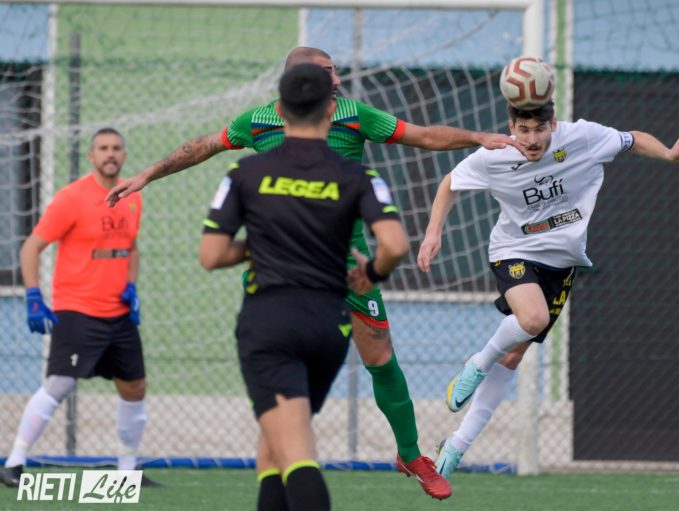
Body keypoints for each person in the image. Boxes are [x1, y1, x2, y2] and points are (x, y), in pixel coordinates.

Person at [104, 46, 520, 498]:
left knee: (378, 358)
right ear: (304, 86)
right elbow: (204, 145)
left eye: (336, 72)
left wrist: (477, 137)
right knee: (290, 406)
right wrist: (148, 174)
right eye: (327, 73)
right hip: (284, 281)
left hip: (344, 270)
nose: (336, 80)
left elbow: (422, 136)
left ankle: (409, 453)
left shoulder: (350, 119)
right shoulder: (257, 127)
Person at [418, 98, 679, 479]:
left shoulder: (582, 138)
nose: (532, 139)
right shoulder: (495, 156)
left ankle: (456, 445)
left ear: (553, 125)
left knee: (513, 357)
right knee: (532, 319)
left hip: (562, 262)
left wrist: (668, 153)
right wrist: (433, 233)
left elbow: (632, 139)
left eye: (540, 129)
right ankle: (477, 364)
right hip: (513, 250)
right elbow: (450, 183)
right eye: (523, 130)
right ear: (511, 127)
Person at [199, 63, 409, 511]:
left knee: (296, 455)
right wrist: (372, 272)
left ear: (279, 109)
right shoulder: (359, 175)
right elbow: (394, 245)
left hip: (270, 322)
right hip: (329, 324)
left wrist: (262, 244)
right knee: (276, 444)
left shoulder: (245, 172)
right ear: (331, 109)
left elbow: (211, 255)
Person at [0, 128, 160, 488]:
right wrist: (33, 296)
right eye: (103, 148)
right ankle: (14, 463)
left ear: (124, 155)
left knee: (135, 387)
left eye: (116, 148)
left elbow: (131, 247)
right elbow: (30, 248)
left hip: (118, 315)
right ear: (91, 156)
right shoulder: (71, 198)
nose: (110, 153)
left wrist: (131, 287)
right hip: (77, 311)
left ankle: (127, 470)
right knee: (59, 385)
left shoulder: (133, 197)